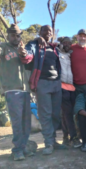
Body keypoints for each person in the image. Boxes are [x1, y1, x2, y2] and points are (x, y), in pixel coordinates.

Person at [0, 24, 35, 161]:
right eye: (13, 35)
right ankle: (17, 150)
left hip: (25, 91)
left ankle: (24, 147)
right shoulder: (3, 47)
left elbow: (28, 60)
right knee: (17, 122)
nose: (16, 37)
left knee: (26, 122)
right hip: (12, 90)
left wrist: (23, 52)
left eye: (18, 35)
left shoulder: (23, 49)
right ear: (8, 35)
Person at [18, 25, 67, 155]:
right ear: (40, 32)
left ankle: (54, 141)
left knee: (56, 114)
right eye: (45, 30)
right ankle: (48, 143)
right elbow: (28, 54)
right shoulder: (35, 44)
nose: (48, 32)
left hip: (56, 83)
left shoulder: (53, 48)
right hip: (42, 83)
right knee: (45, 114)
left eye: (50, 31)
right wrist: (24, 53)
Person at [57, 37, 82, 148]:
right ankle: (73, 138)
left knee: (68, 114)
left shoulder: (70, 55)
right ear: (61, 44)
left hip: (71, 86)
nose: (67, 45)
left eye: (69, 43)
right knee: (67, 113)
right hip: (61, 86)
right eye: (65, 43)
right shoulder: (56, 52)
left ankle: (65, 137)